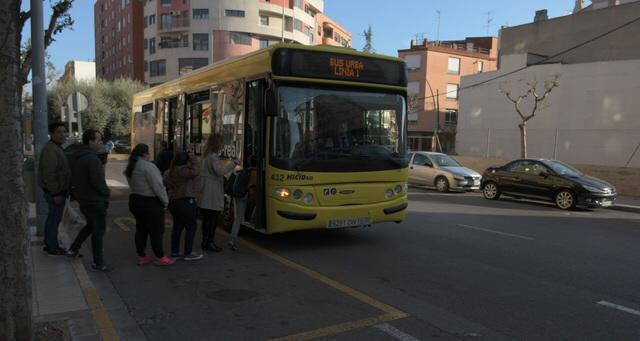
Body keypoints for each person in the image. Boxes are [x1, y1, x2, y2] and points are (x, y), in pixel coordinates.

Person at [67, 129, 112, 272]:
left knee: (91, 226)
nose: (101, 143)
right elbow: (98, 182)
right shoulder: (92, 159)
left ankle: (74, 248)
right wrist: (106, 192)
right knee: (98, 231)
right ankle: (98, 262)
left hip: (84, 199)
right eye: (98, 140)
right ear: (90, 142)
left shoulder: (78, 156)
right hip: (95, 201)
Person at [125, 144, 175, 266]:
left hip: (135, 200)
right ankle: (160, 256)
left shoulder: (131, 166)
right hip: (150, 202)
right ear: (145, 154)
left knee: (141, 229)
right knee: (156, 230)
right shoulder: (148, 166)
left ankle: (141, 256)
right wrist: (165, 201)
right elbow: (158, 186)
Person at [197, 135, 238, 252]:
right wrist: (233, 163)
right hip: (212, 191)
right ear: (216, 144)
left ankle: (205, 242)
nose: (222, 145)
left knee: (207, 219)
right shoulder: (213, 157)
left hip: (206, 190)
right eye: (221, 143)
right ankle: (210, 242)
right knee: (213, 218)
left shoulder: (205, 156)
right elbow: (220, 172)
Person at [38, 122, 71, 255]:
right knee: (54, 219)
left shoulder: (56, 147)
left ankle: (50, 243)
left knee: (53, 218)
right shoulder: (51, 150)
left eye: (64, 131)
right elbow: (49, 174)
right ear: (52, 134)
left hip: (56, 191)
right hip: (55, 193)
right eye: (59, 132)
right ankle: (52, 247)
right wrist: (56, 193)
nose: (62, 134)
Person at [164, 151, 203, 261]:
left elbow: (165, 183)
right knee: (191, 227)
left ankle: (175, 252)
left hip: (173, 202)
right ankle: (188, 252)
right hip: (185, 202)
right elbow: (196, 171)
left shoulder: (168, 172)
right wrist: (193, 159)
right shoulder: (183, 171)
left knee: (177, 227)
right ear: (185, 161)